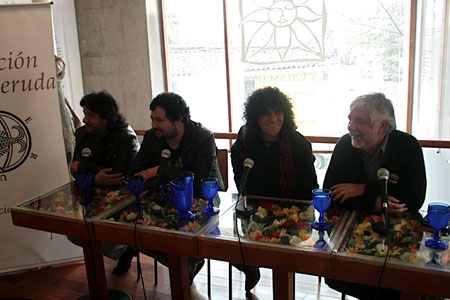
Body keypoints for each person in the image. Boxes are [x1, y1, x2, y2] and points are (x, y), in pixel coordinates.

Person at [323, 92, 427, 299]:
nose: (350, 127)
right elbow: (331, 193)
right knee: (339, 272)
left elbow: (413, 199)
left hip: (398, 232)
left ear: (382, 126)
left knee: (406, 279)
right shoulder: (345, 144)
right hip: (352, 232)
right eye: (350, 119)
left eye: (359, 121)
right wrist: (376, 201)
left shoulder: (408, 146)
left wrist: (362, 189)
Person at [113, 92, 224, 283]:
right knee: (133, 228)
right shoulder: (152, 137)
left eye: (159, 120)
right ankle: (185, 263)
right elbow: (136, 173)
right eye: (152, 119)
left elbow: (198, 184)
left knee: (188, 233)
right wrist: (166, 176)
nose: (154, 125)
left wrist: (159, 171)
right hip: (164, 197)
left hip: (203, 199)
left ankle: (188, 261)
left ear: (179, 119)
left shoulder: (202, 138)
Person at [231, 86, 319, 292]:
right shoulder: (244, 143)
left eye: (277, 112)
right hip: (255, 211)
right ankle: (250, 267)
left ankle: (283, 287)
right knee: (230, 244)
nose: (273, 119)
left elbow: (309, 189)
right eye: (265, 113)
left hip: (293, 213)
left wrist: (285, 215)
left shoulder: (299, 144)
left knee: (282, 254)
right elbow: (240, 180)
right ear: (255, 118)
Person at [68, 91, 140, 261]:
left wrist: (86, 169)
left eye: (90, 115)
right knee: (74, 232)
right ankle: (123, 250)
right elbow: (73, 168)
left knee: (103, 235)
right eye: (85, 113)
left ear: (106, 118)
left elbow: (117, 175)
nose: (85, 119)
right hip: (90, 194)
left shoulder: (125, 136)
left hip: (122, 197)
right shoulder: (82, 134)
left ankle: (125, 250)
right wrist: (94, 178)